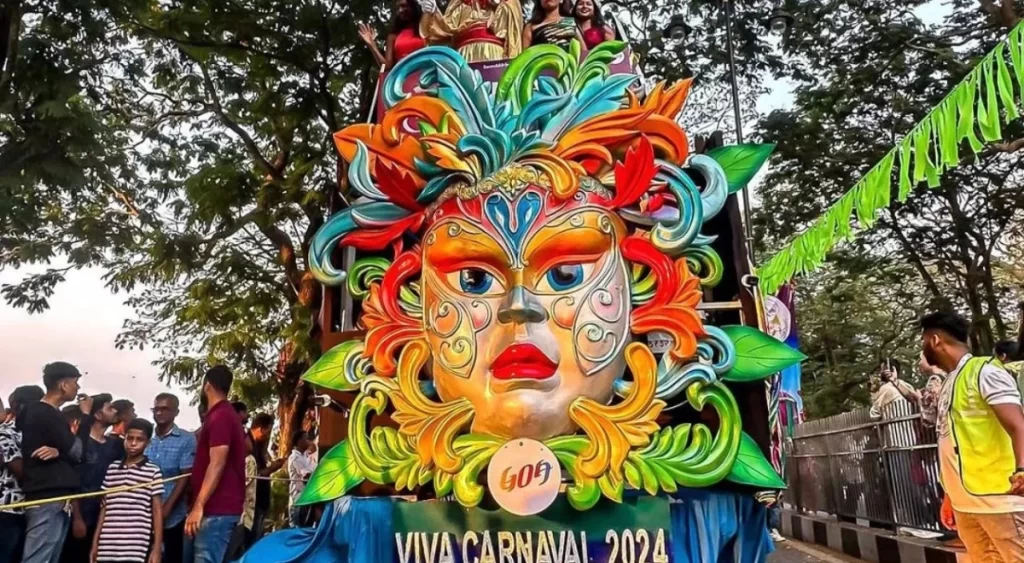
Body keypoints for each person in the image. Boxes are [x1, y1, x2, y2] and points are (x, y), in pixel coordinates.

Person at [922, 312, 1024, 560]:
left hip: (1000, 502)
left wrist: (1022, 469)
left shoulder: (985, 371)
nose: (922, 350)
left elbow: (1018, 426)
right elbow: (951, 442)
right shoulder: (949, 383)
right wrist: (949, 495)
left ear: (935, 340)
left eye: (923, 341)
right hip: (966, 505)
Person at [18, 362, 94, 563]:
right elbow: (78, 452)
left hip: (56, 496)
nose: (78, 388)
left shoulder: (45, 413)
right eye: (75, 382)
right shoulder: (44, 412)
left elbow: (70, 452)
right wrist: (86, 416)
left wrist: (59, 452)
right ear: (63, 384)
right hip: (47, 496)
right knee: (38, 558)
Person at [184, 366, 247, 563]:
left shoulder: (221, 416)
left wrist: (198, 506)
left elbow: (217, 463)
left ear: (207, 386)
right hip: (217, 507)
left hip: (217, 508)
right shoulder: (224, 415)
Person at [90, 418, 163, 563]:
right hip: (107, 544)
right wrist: (95, 543)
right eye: (130, 438)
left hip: (135, 547)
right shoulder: (112, 469)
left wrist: (156, 548)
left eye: (139, 439)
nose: (133, 443)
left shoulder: (153, 471)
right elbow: (104, 508)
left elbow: (157, 512)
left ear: (148, 443)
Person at [60, 394, 123, 563]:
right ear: (97, 415)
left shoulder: (116, 445)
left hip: (106, 516)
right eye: (109, 407)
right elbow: (71, 480)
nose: (115, 410)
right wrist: (77, 517)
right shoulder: (80, 444)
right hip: (81, 514)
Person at [146, 393, 195, 563]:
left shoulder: (186, 439)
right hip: (144, 514)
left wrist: (167, 508)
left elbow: (184, 477)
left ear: (176, 412)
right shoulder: (146, 438)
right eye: (156, 409)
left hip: (173, 515)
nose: (159, 413)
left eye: (164, 409)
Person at [1, 386, 45, 563]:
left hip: (28, 509)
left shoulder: (36, 434)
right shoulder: (5, 433)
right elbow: (20, 470)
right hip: (7, 510)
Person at [417, 0, 524, 63]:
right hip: (464, 56)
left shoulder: (510, 2)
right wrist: (431, 11)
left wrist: (501, 4)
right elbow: (442, 32)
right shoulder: (460, 2)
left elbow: (513, 33)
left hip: (494, 56)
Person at [247, 413, 285, 546]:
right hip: (253, 502)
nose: (268, 436)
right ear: (260, 428)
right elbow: (252, 475)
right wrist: (272, 469)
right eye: (268, 432)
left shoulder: (259, 446)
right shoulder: (248, 446)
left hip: (261, 500)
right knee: (250, 541)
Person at [358, 0, 425, 70]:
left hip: (428, 74)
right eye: (398, 8)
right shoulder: (393, 36)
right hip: (404, 77)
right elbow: (386, 67)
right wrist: (371, 44)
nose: (400, 10)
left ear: (414, 6)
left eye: (404, 6)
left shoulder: (426, 29)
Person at [287, 431, 316, 528]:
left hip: (307, 498)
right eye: (306, 438)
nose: (308, 441)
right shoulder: (295, 458)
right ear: (299, 441)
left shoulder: (306, 457)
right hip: (298, 500)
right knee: (298, 529)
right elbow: (306, 475)